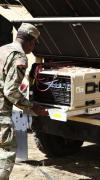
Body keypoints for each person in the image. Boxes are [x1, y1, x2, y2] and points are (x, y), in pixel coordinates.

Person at [0, 23, 47, 179]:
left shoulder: (3, 49)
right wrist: (32, 106)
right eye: (33, 43)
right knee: (7, 151)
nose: (32, 48)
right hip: (1, 112)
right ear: (28, 40)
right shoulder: (20, 57)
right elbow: (10, 91)